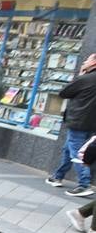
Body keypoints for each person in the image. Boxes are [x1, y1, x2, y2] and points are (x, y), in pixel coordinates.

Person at [45, 51, 96, 197]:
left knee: (76, 152)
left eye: (87, 59)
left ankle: (84, 184)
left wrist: (80, 75)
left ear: (94, 63)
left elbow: (64, 93)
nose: (85, 62)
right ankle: (58, 176)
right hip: (91, 123)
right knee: (68, 149)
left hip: (78, 120)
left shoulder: (86, 78)